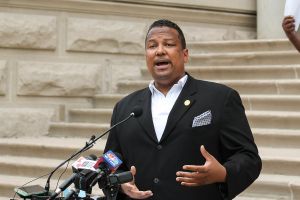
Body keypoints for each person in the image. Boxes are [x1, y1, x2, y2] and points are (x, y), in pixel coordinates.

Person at [104, 19, 262, 200]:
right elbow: (110, 157)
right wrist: (119, 182)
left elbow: (248, 157)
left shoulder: (220, 98)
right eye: (152, 46)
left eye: (169, 44)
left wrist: (224, 173)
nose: (160, 50)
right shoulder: (124, 107)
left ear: (185, 54)